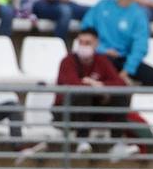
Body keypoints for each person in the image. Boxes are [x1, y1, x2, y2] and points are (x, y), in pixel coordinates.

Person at [53, 28, 141, 161]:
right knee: (84, 94)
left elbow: (120, 84)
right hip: (66, 112)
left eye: (87, 43)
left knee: (119, 96)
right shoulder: (68, 61)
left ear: (96, 44)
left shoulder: (102, 60)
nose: (83, 46)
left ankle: (117, 144)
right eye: (80, 42)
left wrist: (100, 86)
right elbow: (72, 85)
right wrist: (93, 87)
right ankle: (82, 141)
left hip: (93, 112)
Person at [81, 0, 153, 86]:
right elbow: (86, 29)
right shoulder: (102, 5)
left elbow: (140, 47)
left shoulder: (138, 15)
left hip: (122, 59)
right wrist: (102, 49)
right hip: (99, 55)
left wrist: (127, 70)